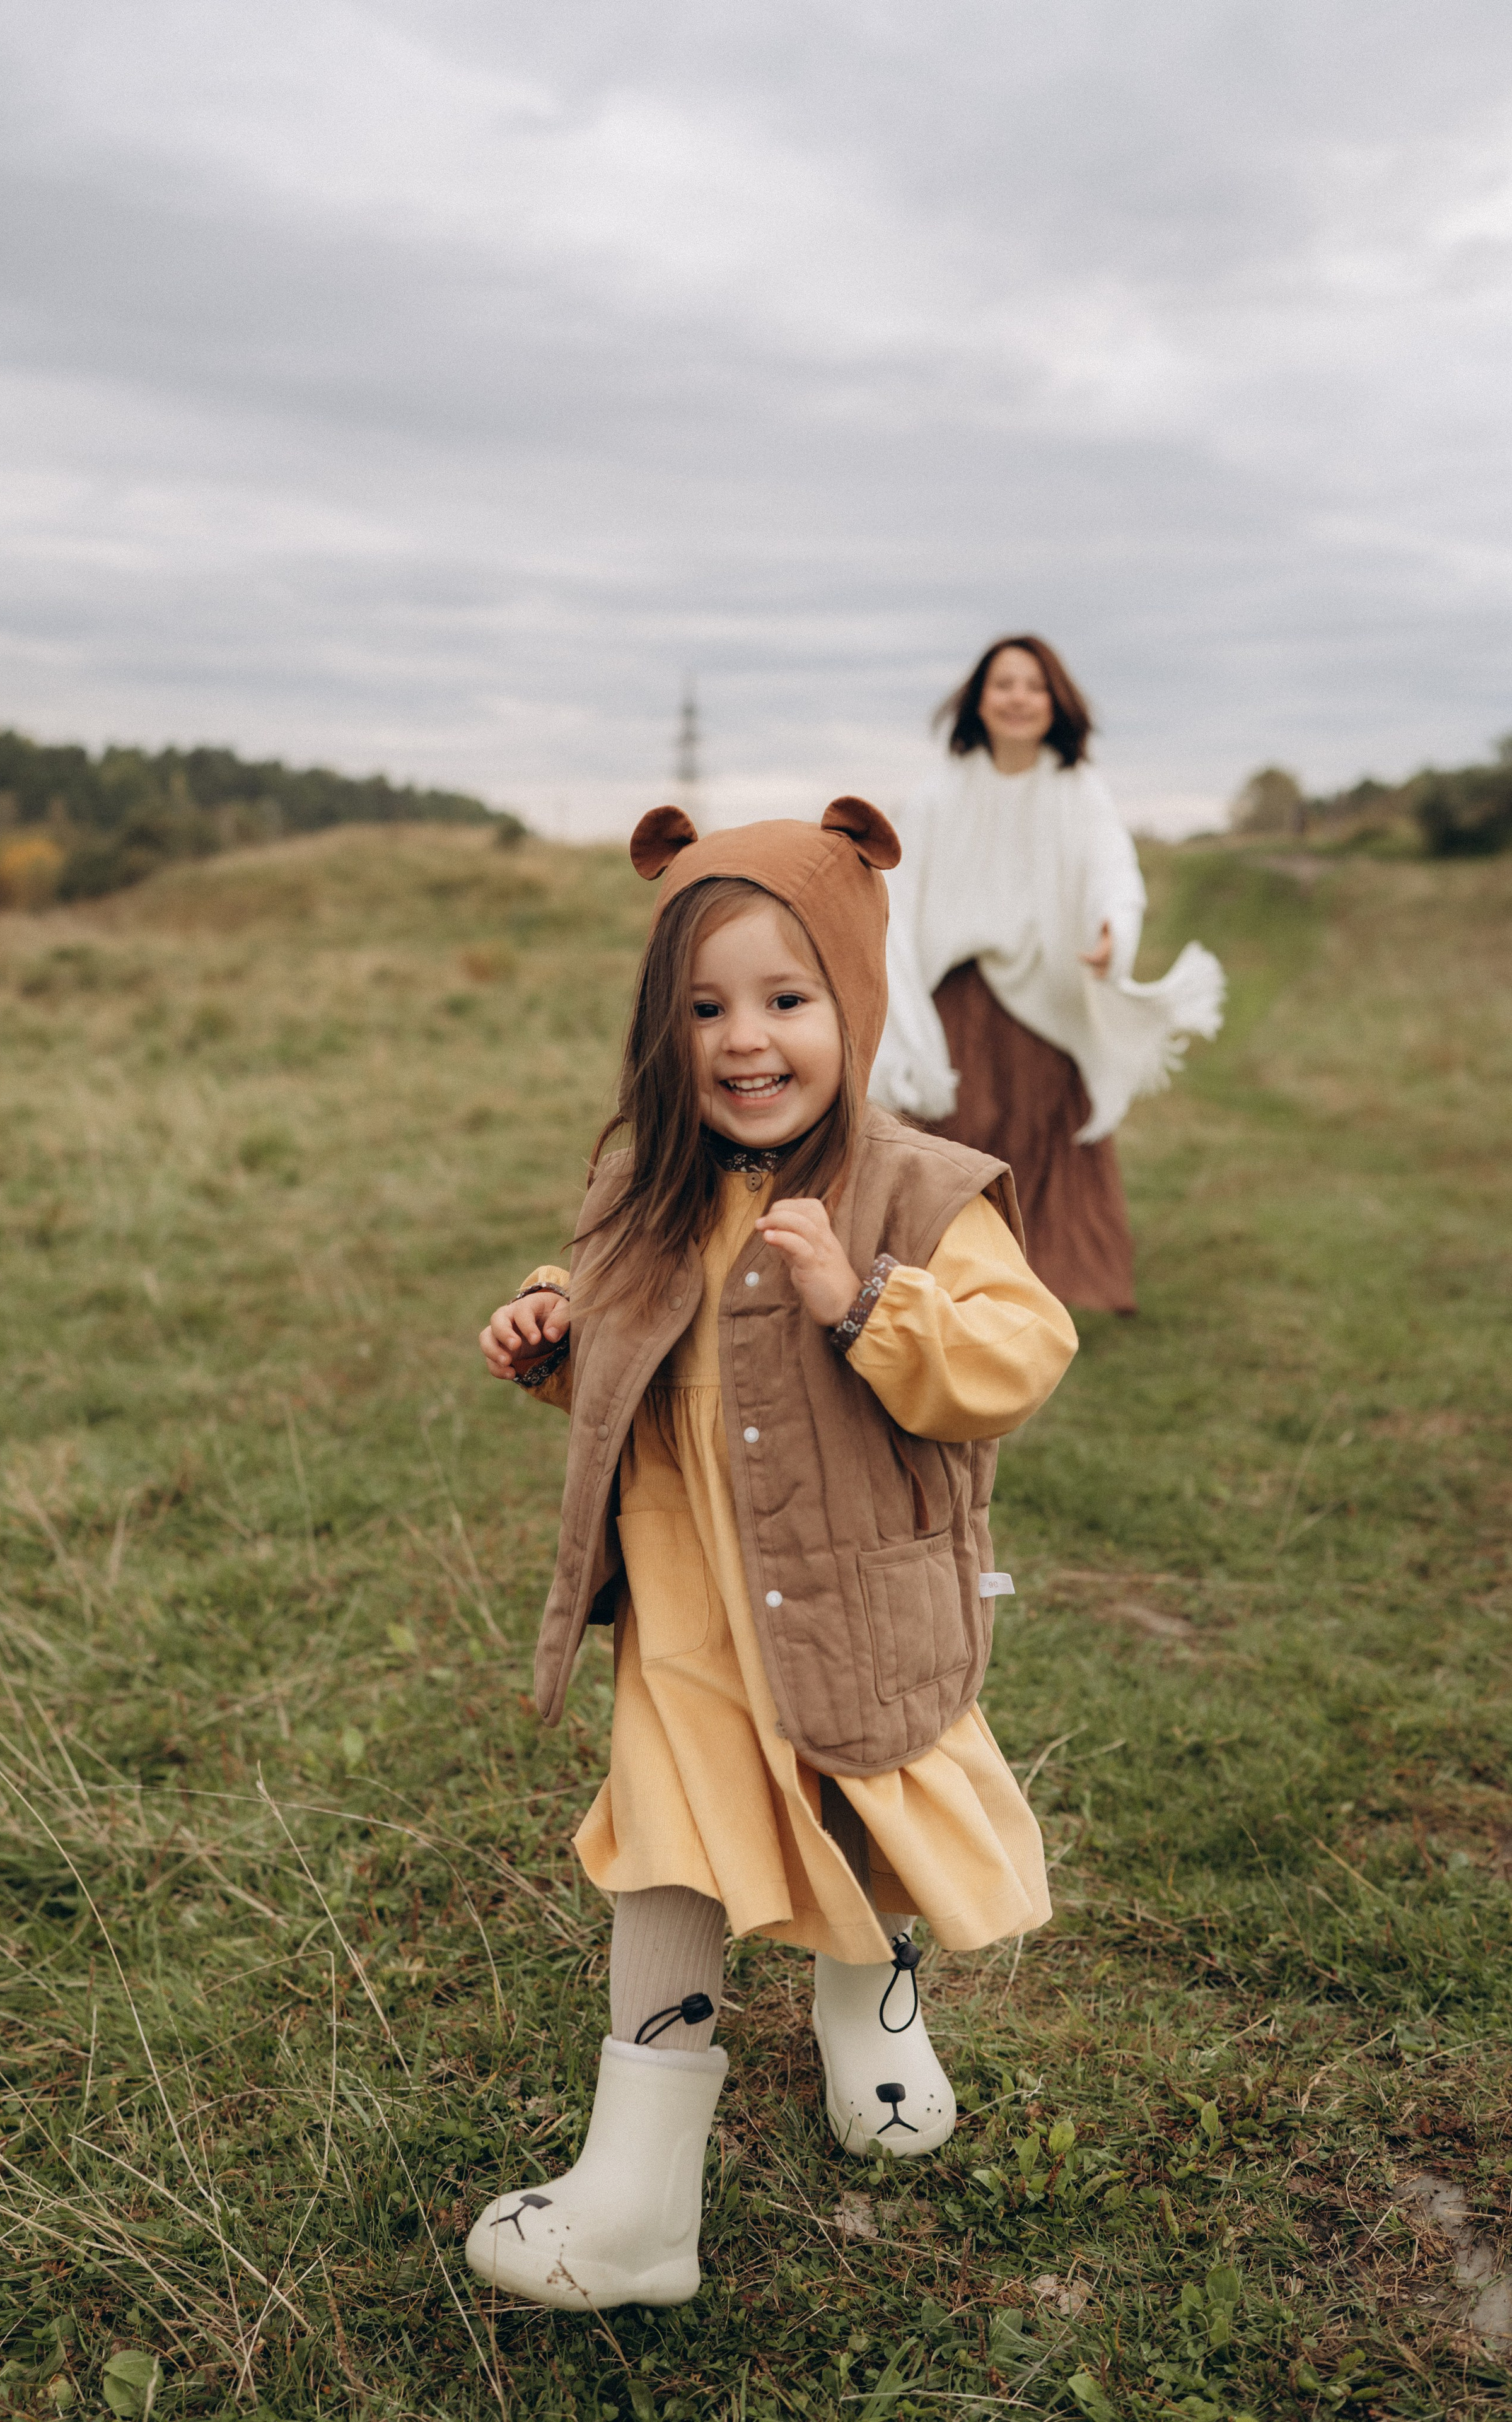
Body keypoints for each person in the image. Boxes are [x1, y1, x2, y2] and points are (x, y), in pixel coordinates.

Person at [465, 797, 1078, 2314]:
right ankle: (634, 2199)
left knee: (865, 1824)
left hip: (857, 1606)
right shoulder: (644, 1184)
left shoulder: (922, 1191)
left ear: (849, 1008)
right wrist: (548, 1323)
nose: (745, 1039)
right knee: (665, 1855)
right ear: (658, 1030)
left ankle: (870, 2011)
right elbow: (603, 1307)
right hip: (686, 1622)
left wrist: (867, 1302)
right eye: (703, 1007)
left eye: (785, 1000)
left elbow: (1018, 1353)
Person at [869, 636, 1224, 1314]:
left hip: (1046, 1002)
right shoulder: (942, 791)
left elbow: (1112, 872)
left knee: (1050, 1135)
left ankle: (1062, 1282)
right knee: (960, 1142)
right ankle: (950, 1285)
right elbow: (902, 891)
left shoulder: (1077, 788)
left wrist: (1111, 933)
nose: (1017, 698)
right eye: (1003, 684)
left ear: (1054, 701)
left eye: (1032, 686)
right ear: (979, 698)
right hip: (960, 1003)